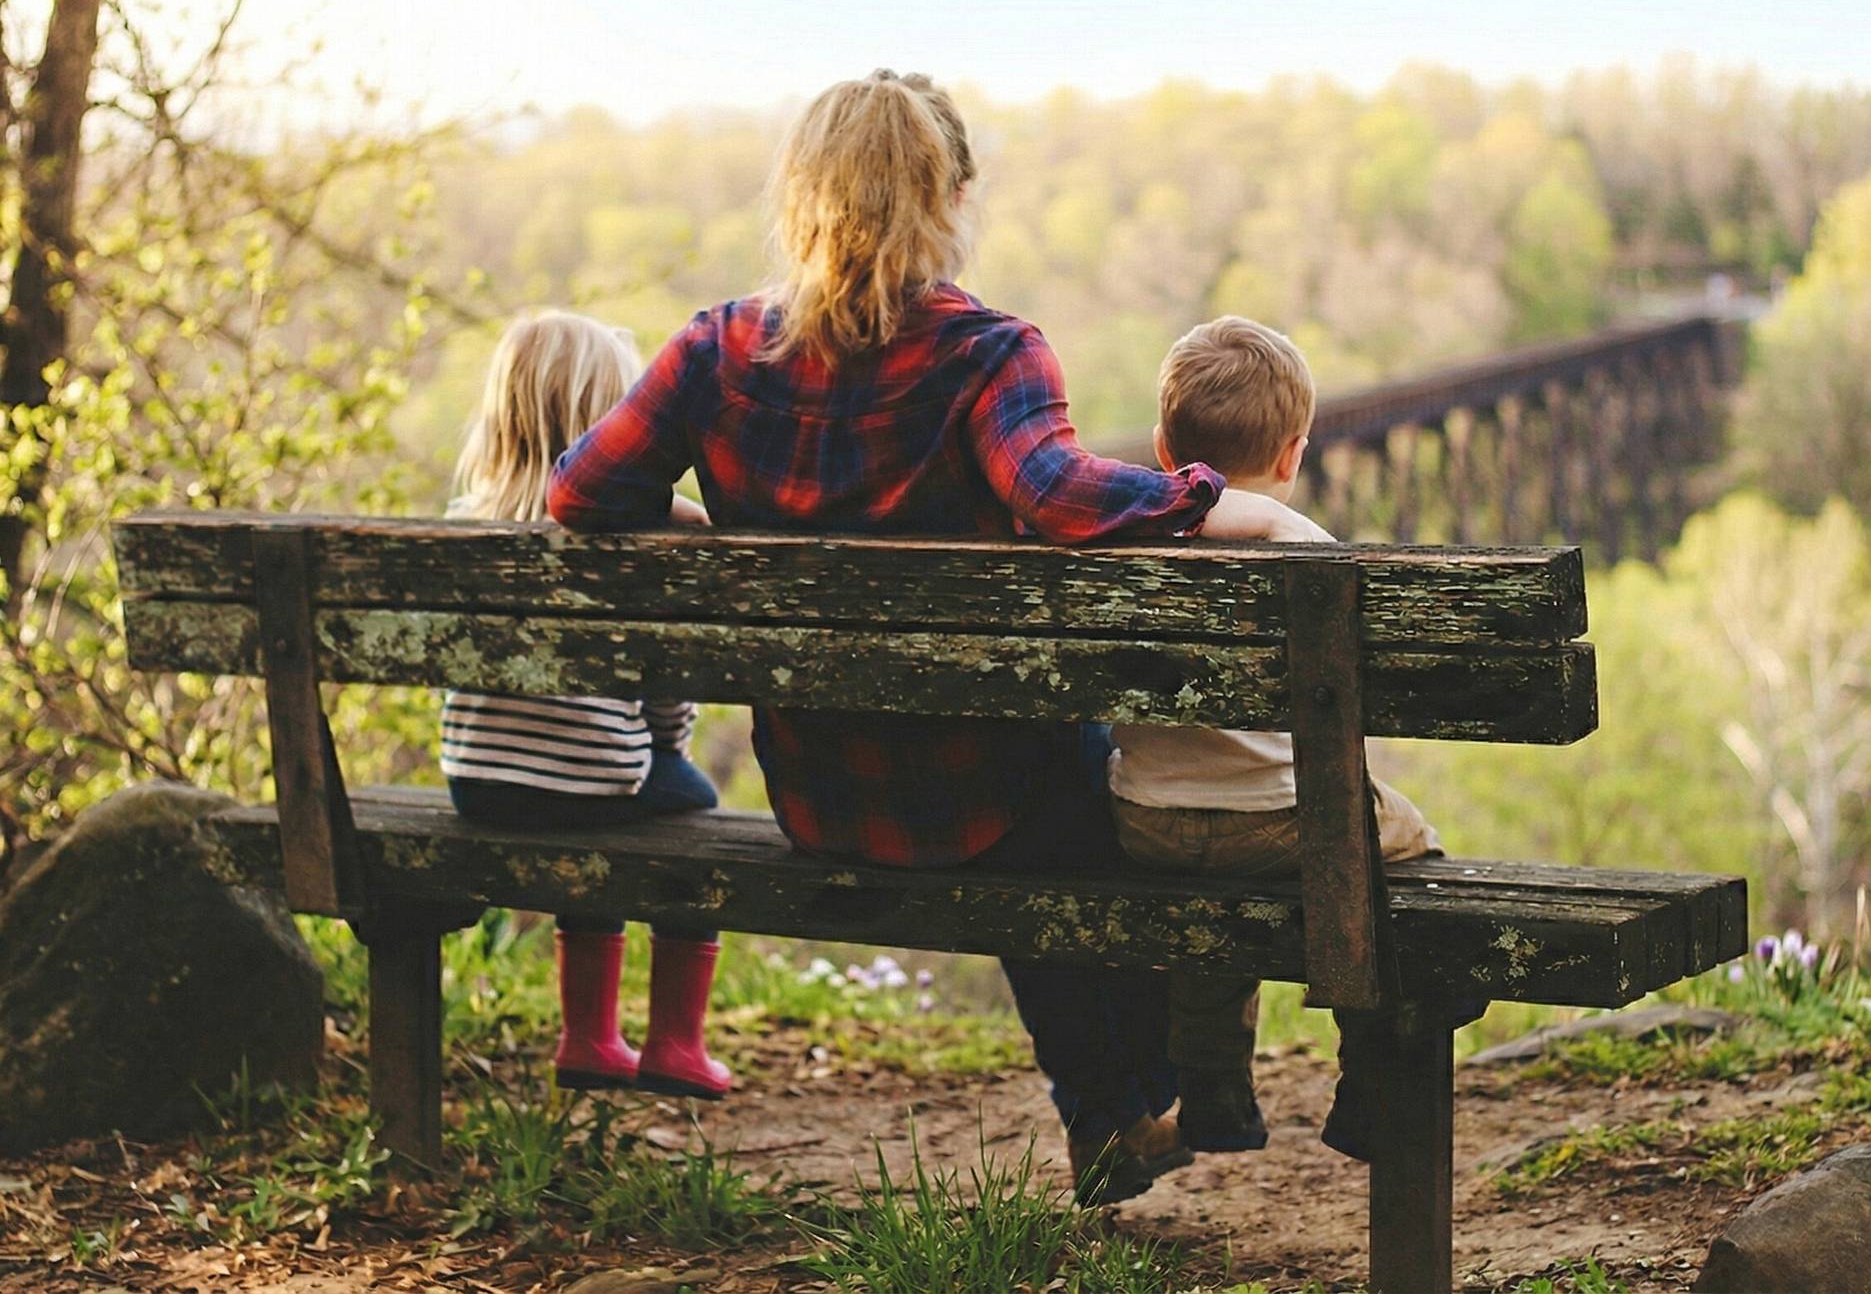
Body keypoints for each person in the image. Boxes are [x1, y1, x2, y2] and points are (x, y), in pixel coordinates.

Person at [545, 70, 1324, 1202]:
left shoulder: (716, 352)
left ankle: (1113, 1109)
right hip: (990, 801)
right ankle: (1124, 1097)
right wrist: (1210, 495)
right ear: (951, 195)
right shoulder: (989, 355)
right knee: (1086, 775)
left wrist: (704, 523)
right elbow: (1056, 495)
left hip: (821, 799)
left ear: (803, 197)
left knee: (1046, 771)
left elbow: (580, 491)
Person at [1108, 316, 1442, 1158]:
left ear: (1161, 446)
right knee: (1405, 845)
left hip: (1144, 822)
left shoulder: (1127, 537)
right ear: (1293, 455)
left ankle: (1214, 1082)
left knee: (1209, 895)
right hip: (1280, 823)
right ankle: (1373, 1073)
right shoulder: (1309, 549)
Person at [441, 310, 732, 1101]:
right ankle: (675, 1042)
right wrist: (663, 745)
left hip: (477, 781)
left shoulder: (463, 528)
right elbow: (666, 684)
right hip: (591, 779)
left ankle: (589, 1036)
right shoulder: (625, 538)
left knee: (599, 799)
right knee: (693, 810)